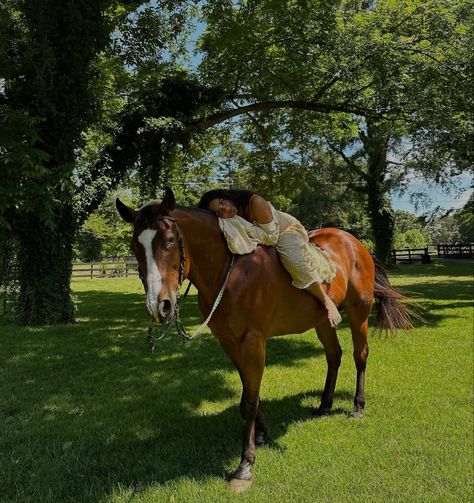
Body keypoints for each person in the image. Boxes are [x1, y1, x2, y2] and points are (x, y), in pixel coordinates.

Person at [198, 189, 342, 327]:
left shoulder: (255, 202)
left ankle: (326, 302)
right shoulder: (231, 217)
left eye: (223, 202)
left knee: (292, 259)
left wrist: (239, 223)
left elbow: (271, 238)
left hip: (286, 231)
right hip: (265, 235)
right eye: (219, 212)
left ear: (227, 196)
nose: (226, 209)